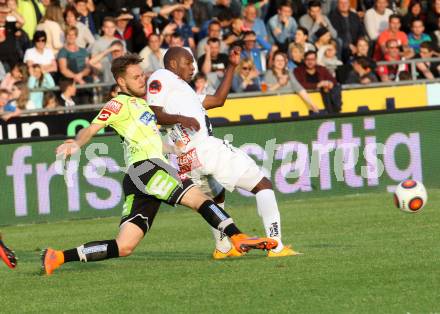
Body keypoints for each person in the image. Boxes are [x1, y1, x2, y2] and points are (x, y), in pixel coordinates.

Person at [41, 53, 277, 275]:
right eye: (135, 77)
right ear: (121, 82)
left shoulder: (144, 106)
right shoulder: (118, 104)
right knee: (200, 199)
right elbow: (92, 128)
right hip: (147, 168)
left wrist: (173, 149)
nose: (142, 80)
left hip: (139, 177)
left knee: (124, 246)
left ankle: (58, 257)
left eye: (142, 75)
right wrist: (76, 144)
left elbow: (151, 141)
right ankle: (237, 237)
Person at [148, 47, 299, 259]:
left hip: (188, 159)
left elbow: (219, 100)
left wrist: (231, 66)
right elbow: (153, 113)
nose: (193, 67)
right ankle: (276, 246)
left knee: (215, 196)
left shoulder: (184, 92)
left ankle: (223, 248)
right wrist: (181, 119)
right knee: (262, 184)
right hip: (206, 148)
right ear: (173, 64)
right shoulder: (162, 76)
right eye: (188, 62)